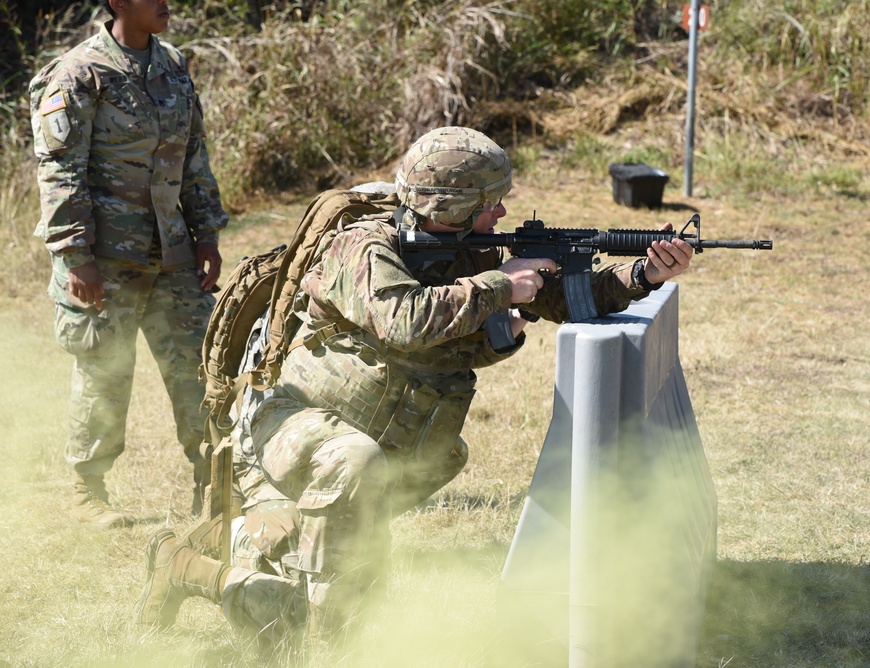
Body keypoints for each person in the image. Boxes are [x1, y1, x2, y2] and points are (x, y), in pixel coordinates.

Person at [136, 126, 693, 656]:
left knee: (309, 569)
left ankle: (191, 563)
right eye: (489, 201)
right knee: (351, 476)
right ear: (451, 203)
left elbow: (560, 299)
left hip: (384, 440)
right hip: (294, 426)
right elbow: (402, 318)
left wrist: (643, 275)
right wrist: (503, 285)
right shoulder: (360, 248)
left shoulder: (472, 252)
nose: (500, 212)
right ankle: (329, 651)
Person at [30, 0, 228, 528]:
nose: (166, 3)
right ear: (117, 2)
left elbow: (193, 154)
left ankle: (215, 485)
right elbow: (59, 169)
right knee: (104, 372)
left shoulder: (172, 63)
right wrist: (75, 255)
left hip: (173, 253)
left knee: (200, 369)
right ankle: (85, 493)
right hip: (106, 258)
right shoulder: (79, 73)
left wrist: (206, 232)